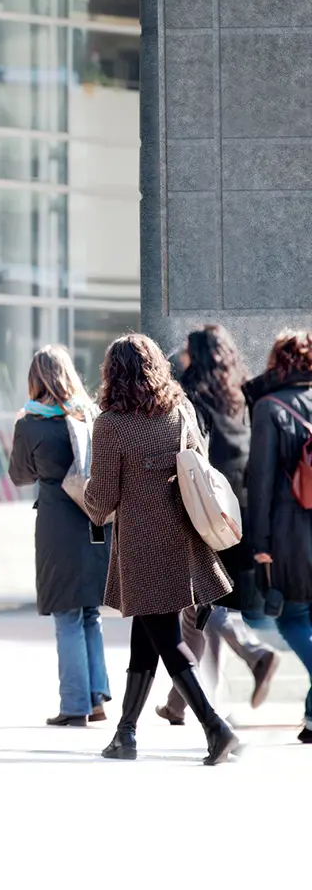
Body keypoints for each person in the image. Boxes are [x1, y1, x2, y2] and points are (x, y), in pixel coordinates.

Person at [84, 333, 239, 765]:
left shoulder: (110, 424)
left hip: (142, 546)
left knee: (168, 640)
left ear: (113, 374)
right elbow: (200, 464)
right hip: (183, 539)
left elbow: (102, 500)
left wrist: (83, 491)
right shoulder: (180, 410)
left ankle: (215, 727)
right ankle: (125, 733)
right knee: (147, 635)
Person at [155, 326, 279, 725]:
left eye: (187, 351)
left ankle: (255, 654)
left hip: (206, 512)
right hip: (239, 511)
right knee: (200, 609)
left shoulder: (192, 400)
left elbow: (190, 457)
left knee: (204, 602)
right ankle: (179, 704)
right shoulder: (240, 396)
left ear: (198, 356)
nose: (180, 356)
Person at [9, 346, 112, 726]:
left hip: (57, 527)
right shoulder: (92, 416)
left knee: (67, 616)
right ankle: (96, 699)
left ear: (36, 379)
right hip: (97, 523)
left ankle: (74, 706)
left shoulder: (31, 424)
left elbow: (20, 476)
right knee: (89, 614)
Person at [246, 330, 312, 745]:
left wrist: (260, 545)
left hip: (290, 532)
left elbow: (263, 483)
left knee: (291, 616)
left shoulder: (270, 408)